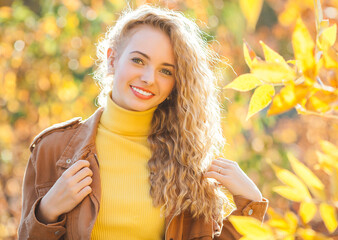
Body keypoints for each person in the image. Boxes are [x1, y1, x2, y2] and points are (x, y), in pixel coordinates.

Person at [18, 4, 268, 240]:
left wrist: (250, 203)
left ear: (175, 84)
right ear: (112, 59)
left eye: (166, 71)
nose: (149, 78)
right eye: (138, 60)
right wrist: (47, 212)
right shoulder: (53, 149)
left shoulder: (188, 162)